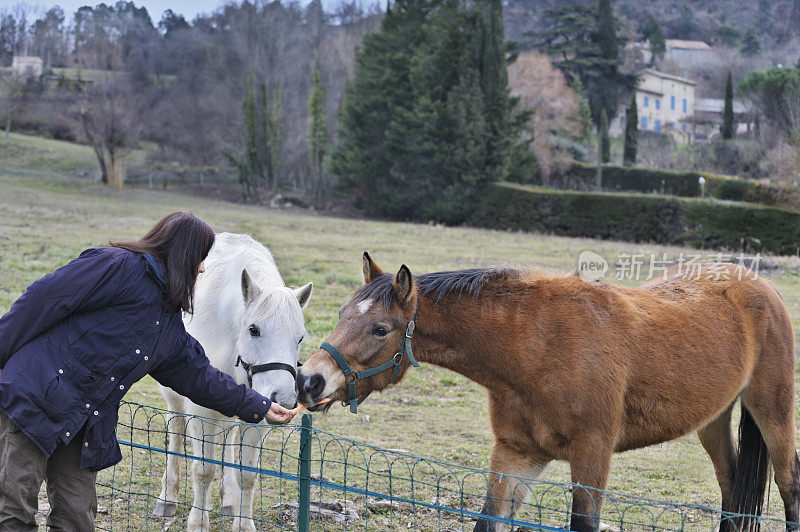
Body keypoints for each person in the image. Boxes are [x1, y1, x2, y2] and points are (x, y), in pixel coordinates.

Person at [0, 211, 296, 530]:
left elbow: (200, 377)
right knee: (14, 510)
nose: (203, 268)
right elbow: (40, 302)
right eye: (200, 257)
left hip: (85, 422)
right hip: (34, 401)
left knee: (75, 517)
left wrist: (259, 405)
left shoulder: (168, 325)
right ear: (181, 253)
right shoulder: (115, 266)